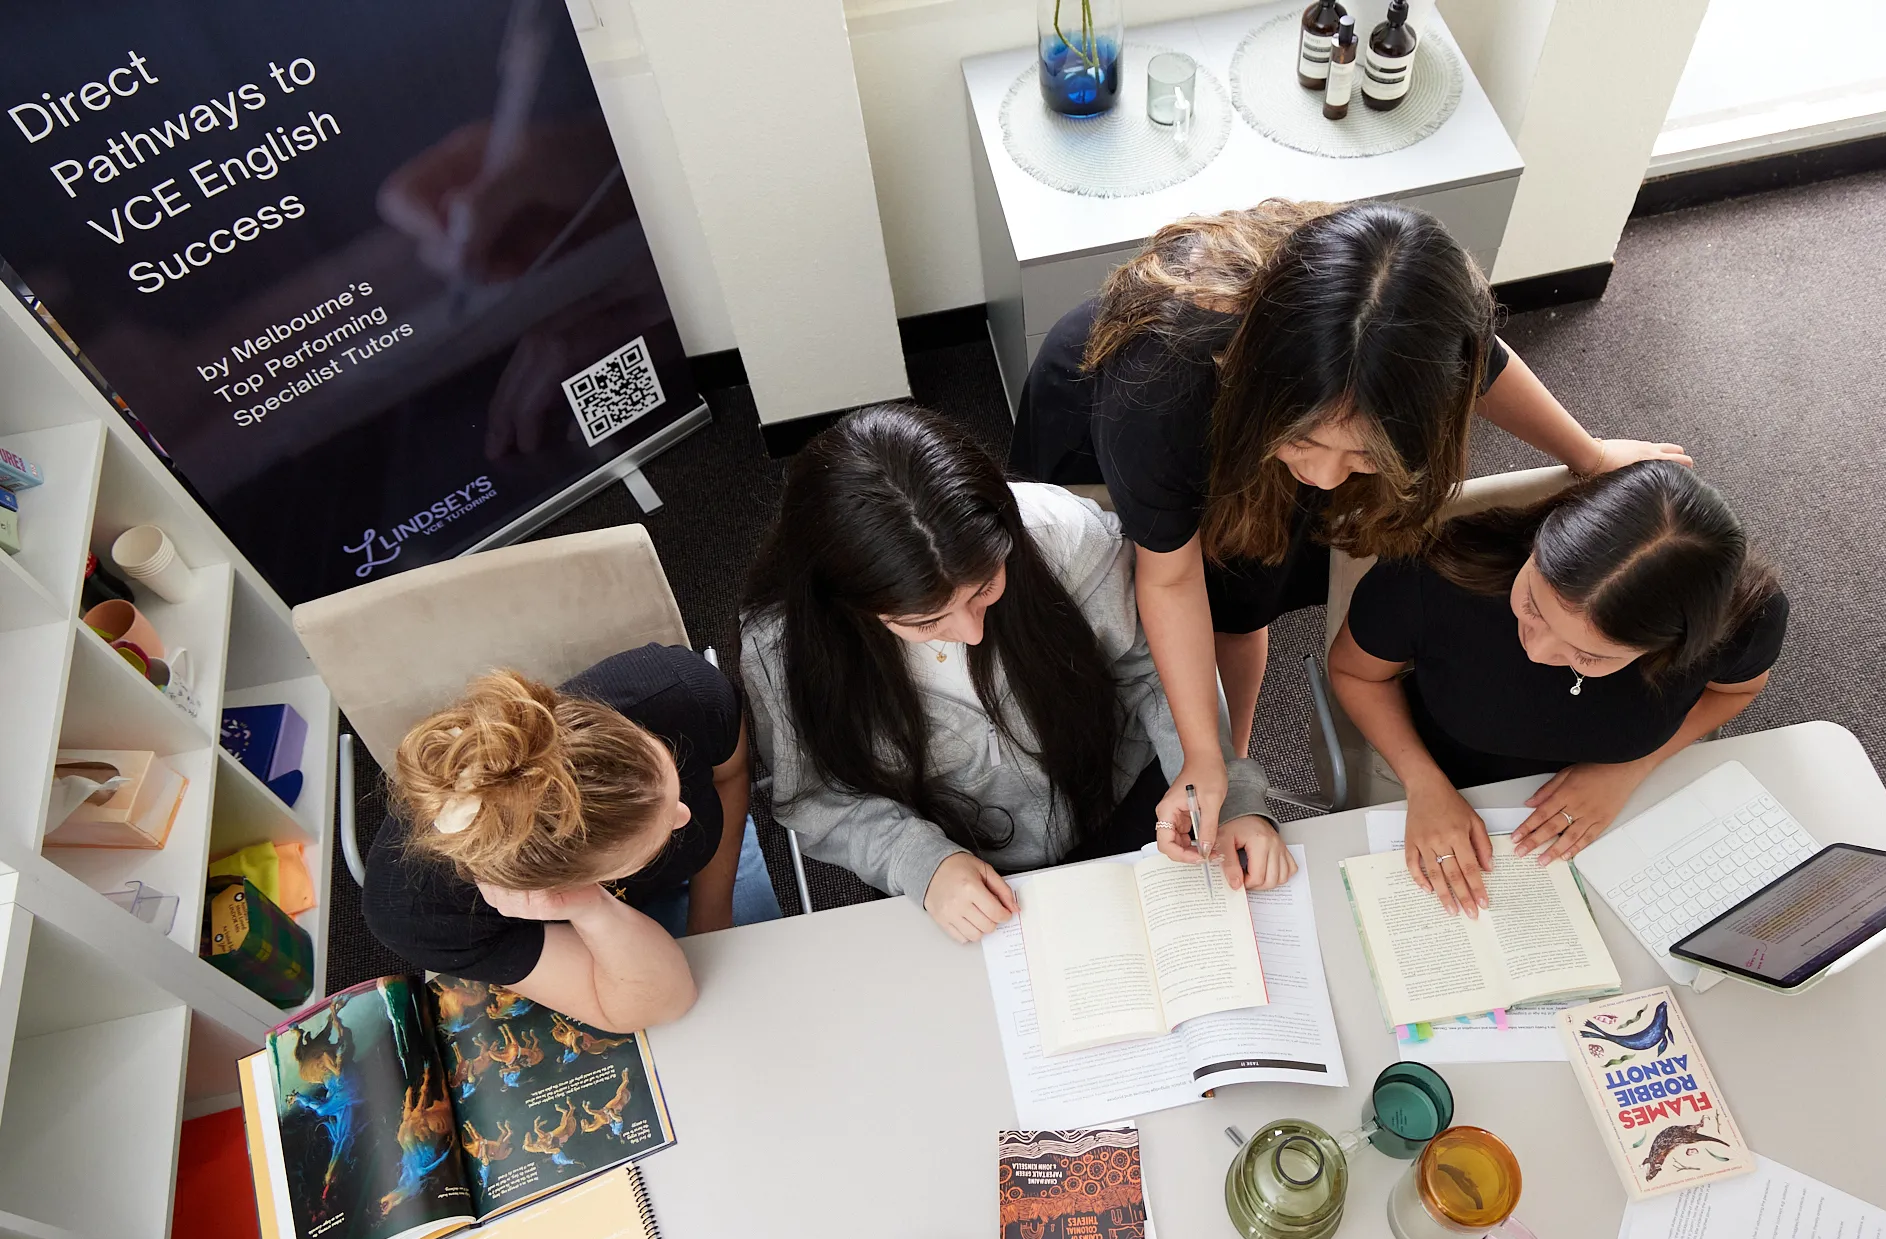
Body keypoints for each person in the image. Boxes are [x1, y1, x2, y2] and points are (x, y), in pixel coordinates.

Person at [1010, 198, 1688, 868]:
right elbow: (1172, 576)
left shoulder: (1419, 317)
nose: (1328, 482)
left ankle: (1232, 756)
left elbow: (1482, 364)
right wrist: (1202, 757)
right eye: (1309, 443)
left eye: (1365, 457)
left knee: (1246, 604)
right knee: (1136, 603)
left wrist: (1587, 454)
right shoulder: (1161, 387)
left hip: (1264, 433)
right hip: (1116, 435)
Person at [741, 404, 1293, 944]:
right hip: (956, 862)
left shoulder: (1061, 538)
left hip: (1128, 802)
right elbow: (815, 796)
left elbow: (1159, 668)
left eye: (985, 588)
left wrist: (1231, 796)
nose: (972, 633)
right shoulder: (783, 648)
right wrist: (920, 863)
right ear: (846, 604)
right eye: (927, 620)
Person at [1327, 461, 1789, 918]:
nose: (1537, 649)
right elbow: (1355, 672)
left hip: (1621, 809)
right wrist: (1423, 782)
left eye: (1588, 656)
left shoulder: (1747, 618)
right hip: (1443, 780)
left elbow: (1734, 691)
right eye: (1532, 603)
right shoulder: (1434, 574)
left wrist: (1628, 769)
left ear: (1676, 648)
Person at [361, 647, 782, 1030]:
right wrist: (589, 909)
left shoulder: (680, 690)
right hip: (569, 930)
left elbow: (728, 778)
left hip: (698, 867)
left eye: (667, 764)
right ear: (560, 884)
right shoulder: (417, 913)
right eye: (649, 842)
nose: (685, 814)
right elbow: (661, 1004)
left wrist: (711, 918)